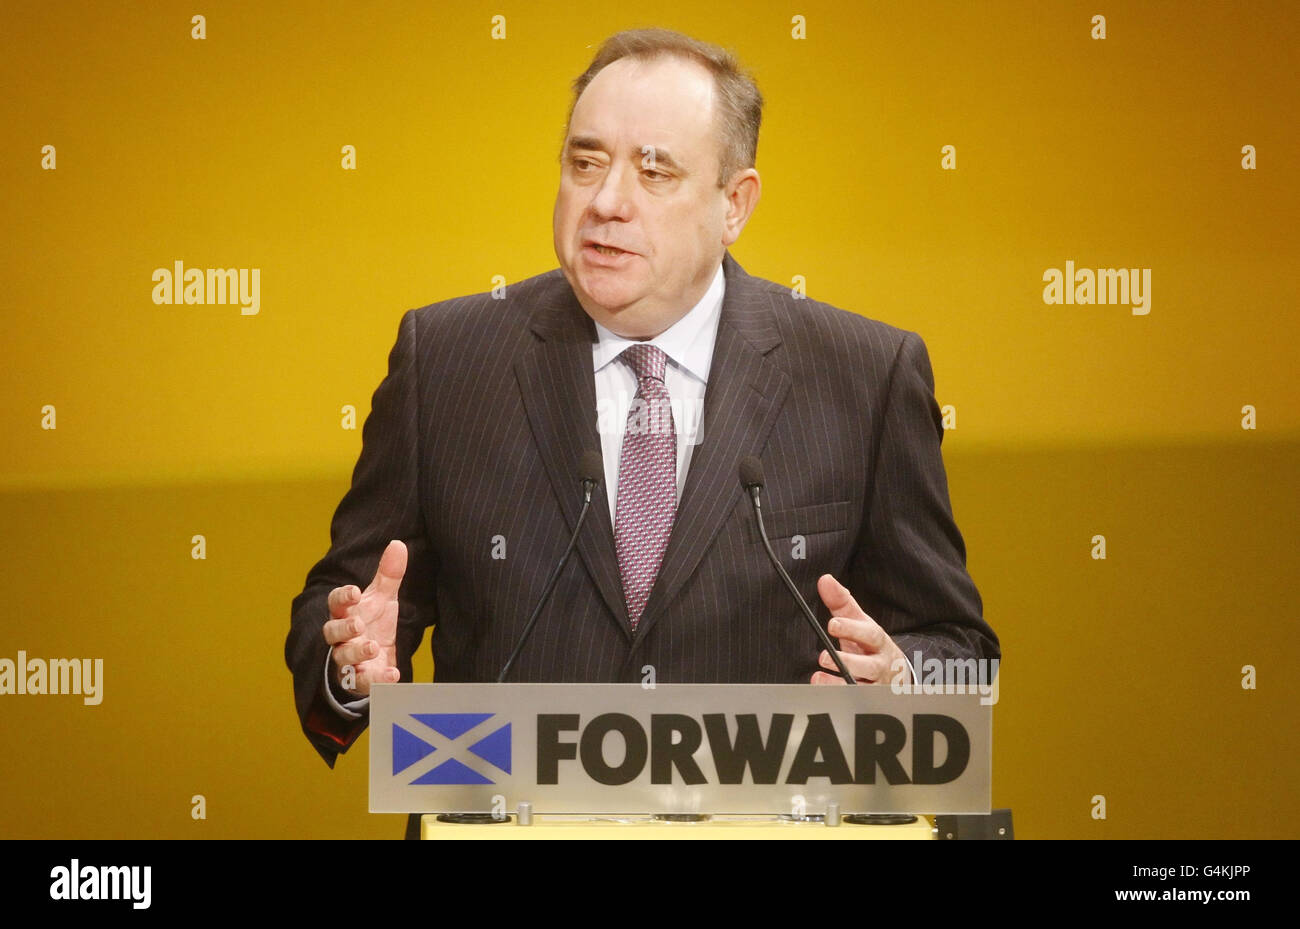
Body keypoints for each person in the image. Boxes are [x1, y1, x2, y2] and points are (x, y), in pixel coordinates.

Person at [286, 28, 999, 778]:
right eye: (585, 162)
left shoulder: (865, 376)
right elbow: (337, 608)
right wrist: (348, 663)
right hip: (499, 811)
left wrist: (904, 680)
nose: (607, 201)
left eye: (655, 171)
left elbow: (962, 652)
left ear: (735, 205)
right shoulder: (447, 359)